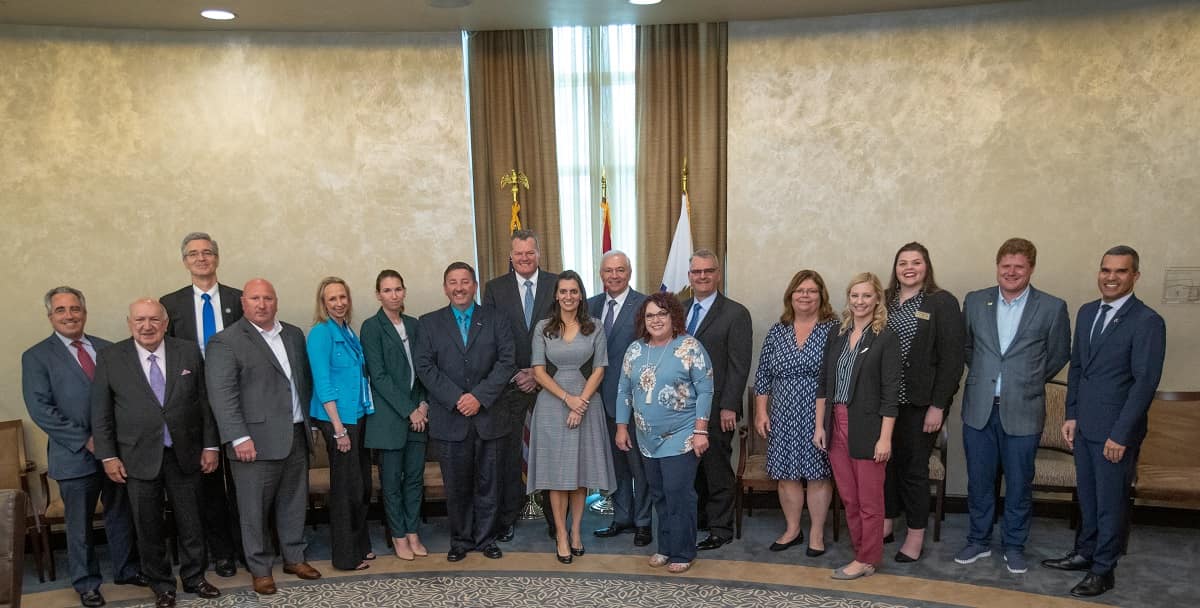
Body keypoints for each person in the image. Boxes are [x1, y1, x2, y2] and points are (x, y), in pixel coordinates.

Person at [1042, 246, 1166, 598]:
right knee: (1090, 498)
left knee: (1111, 502)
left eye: (1121, 271)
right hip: (1084, 427)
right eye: (1106, 270)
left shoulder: (1147, 322)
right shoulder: (1086, 313)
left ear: (1135, 276)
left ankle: (1103, 570)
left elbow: (1144, 384)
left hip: (1115, 433)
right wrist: (1071, 415)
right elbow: (1078, 368)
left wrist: (1121, 434)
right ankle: (1085, 552)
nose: (1111, 277)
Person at [91, 298, 222, 608]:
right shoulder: (110, 357)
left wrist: (211, 445)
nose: (146, 326)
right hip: (136, 457)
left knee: (192, 521)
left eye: (153, 320)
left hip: (185, 453)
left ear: (165, 324)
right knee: (147, 525)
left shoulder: (187, 350)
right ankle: (161, 585)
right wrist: (108, 456)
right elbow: (101, 413)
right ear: (129, 323)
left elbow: (204, 402)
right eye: (139, 320)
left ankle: (195, 577)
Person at [22, 286, 144, 607]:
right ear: (50, 316)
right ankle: (86, 582)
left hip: (116, 453)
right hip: (74, 454)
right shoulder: (36, 356)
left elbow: (125, 399)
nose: (69, 315)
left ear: (84, 312)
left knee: (121, 515)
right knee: (79, 525)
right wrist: (88, 440)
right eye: (61, 310)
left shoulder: (108, 349)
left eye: (75, 309)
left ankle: (126, 569)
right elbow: (41, 410)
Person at [956, 238, 1071, 574]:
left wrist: (1028, 379)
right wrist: (986, 375)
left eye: (1018, 266)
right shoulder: (976, 301)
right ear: (997, 267)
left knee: (1020, 483)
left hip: (1024, 408)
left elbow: (1059, 353)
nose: (1011, 272)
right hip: (979, 408)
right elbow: (967, 347)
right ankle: (978, 540)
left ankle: (1014, 545)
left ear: (1031, 269)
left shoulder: (1052, 307)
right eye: (1005, 266)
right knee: (979, 480)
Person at [205, 279, 321, 595]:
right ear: (243, 303)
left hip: (296, 434)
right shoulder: (225, 342)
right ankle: (260, 568)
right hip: (252, 443)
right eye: (254, 298)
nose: (261, 304)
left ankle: (294, 557)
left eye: (267, 298)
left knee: (294, 503)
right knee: (253, 510)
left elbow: (302, 382)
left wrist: (309, 424)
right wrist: (238, 437)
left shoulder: (294, 335)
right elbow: (222, 394)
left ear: (276, 301)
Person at [415, 262, 516, 562]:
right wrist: (459, 398)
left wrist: (479, 398)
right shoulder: (429, 322)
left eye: (465, 282)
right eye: (452, 282)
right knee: (457, 485)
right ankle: (460, 540)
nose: (459, 287)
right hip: (450, 418)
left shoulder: (496, 319)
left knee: (489, 481)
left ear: (474, 285)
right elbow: (424, 366)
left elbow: (507, 361)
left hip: (489, 416)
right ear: (445, 287)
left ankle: (486, 539)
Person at [159, 231, 243, 578]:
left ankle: (246, 547)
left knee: (242, 480)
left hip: (237, 399)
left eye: (207, 252)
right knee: (206, 483)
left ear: (217, 258)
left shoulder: (238, 299)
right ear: (185, 261)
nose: (201, 258)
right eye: (193, 254)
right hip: (192, 404)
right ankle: (220, 552)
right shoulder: (171, 303)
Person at [615, 292, 714, 574]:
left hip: (682, 435)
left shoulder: (690, 347)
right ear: (642, 320)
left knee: (678, 493)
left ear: (673, 317)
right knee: (658, 493)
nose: (656, 320)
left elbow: (706, 389)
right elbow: (623, 390)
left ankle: (684, 551)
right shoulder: (635, 350)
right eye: (650, 315)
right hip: (646, 439)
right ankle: (666, 546)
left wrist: (700, 430)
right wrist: (622, 427)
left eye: (662, 314)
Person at [882, 242, 964, 563]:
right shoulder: (885, 300)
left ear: (926, 266)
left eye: (916, 262)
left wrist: (939, 406)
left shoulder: (941, 302)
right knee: (884, 465)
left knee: (914, 469)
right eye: (903, 262)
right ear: (896, 268)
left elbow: (952, 360)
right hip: (886, 402)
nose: (909, 267)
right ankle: (887, 521)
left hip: (921, 404)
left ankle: (915, 535)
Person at [814, 273, 899, 580]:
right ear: (848, 298)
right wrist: (819, 425)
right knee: (849, 498)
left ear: (877, 299)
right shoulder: (837, 333)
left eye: (866, 296)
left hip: (869, 428)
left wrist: (885, 439)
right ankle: (862, 553)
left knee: (869, 501)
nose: (860, 301)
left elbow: (891, 394)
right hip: (835, 424)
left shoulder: (886, 338)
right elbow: (825, 382)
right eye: (855, 296)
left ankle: (866, 558)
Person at [528, 270, 615, 563]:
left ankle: (576, 531)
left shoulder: (595, 327)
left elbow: (600, 368)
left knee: (579, 475)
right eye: (563, 291)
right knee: (557, 476)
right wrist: (568, 400)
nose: (568, 296)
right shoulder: (543, 327)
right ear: (556, 295)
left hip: (587, 402)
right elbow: (538, 371)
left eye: (574, 291)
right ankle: (561, 535)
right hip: (552, 406)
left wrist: (581, 403)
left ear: (581, 295)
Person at [481, 229, 559, 542]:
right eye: (519, 254)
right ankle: (509, 517)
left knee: (553, 453)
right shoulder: (495, 288)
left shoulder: (557, 285)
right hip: (510, 386)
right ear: (510, 256)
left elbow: (567, 333)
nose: (524, 258)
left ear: (539, 254)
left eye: (530, 252)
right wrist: (517, 372)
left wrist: (538, 373)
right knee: (509, 455)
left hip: (549, 384)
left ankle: (556, 520)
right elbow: (489, 338)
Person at [753, 270, 838, 557]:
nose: (805, 295)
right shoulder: (778, 331)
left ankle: (816, 532)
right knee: (786, 473)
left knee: (817, 474)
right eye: (799, 290)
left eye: (812, 291)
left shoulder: (833, 329)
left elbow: (840, 374)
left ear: (821, 296)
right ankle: (792, 529)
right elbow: (763, 373)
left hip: (819, 412)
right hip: (783, 412)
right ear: (790, 295)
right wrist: (761, 412)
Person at [683, 249, 752, 551]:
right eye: (696, 272)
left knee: (717, 469)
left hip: (716, 409)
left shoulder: (735, 313)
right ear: (689, 276)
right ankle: (699, 518)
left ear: (718, 274)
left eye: (708, 271)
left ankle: (720, 528)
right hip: (681, 407)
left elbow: (739, 364)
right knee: (690, 468)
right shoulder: (678, 309)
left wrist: (729, 405)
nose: (702, 276)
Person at [306, 277, 375, 571]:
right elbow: (323, 382)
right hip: (338, 421)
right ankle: (346, 557)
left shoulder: (347, 331)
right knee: (346, 490)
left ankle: (360, 546)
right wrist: (338, 429)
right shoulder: (320, 334)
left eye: (342, 297)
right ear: (323, 304)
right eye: (332, 299)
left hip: (356, 415)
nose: (338, 303)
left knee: (360, 486)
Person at [360, 270, 430, 561]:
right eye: (387, 290)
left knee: (414, 480)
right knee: (391, 483)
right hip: (390, 419)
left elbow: (425, 368)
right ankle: (398, 536)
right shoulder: (371, 327)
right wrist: (409, 409)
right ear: (378, 294)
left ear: (404, 292)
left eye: (398, 289)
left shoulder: (415, 325)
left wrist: (423, 404)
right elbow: (379, 376)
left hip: (419, 417)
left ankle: (413, 532)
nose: (393, 295)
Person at [587, 250, 652, 546]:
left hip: (636, 401)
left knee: (640, 465)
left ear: (629, 273)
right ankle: (622, 517)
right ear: (601, 274)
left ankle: (643, 522)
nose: (614, 275)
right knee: (615, 466)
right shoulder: (590, 306)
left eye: (620, 270)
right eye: (609, 270)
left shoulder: (644, 306)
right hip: (598, 401)